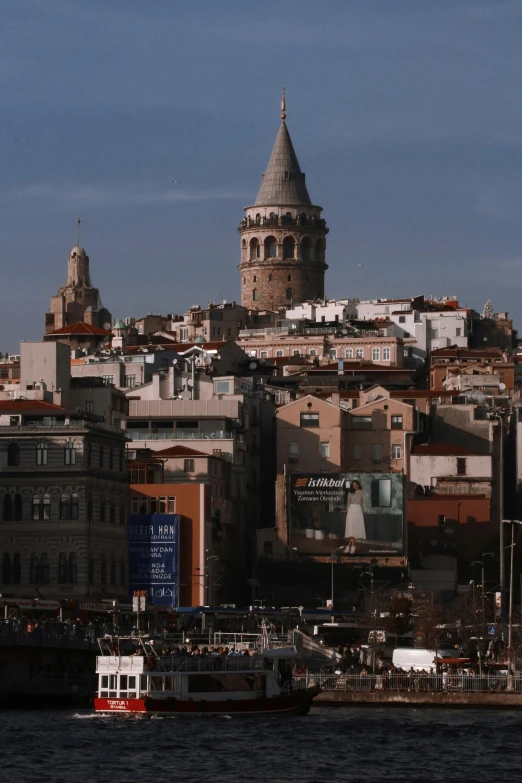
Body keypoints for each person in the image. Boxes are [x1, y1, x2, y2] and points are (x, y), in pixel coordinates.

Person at [344, 480, 366, 554]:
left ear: (358, 484)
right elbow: (348, 502)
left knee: (354, 529)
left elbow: (364, 502)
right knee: (351, 528)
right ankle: (352, 546)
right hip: (351, 510)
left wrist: (366, 510)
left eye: (356, 484)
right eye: (353, 485)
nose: (354, 486)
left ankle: (349, 546)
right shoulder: (350, 492)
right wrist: (346, 510)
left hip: (358, 510)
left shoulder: (361, 492)